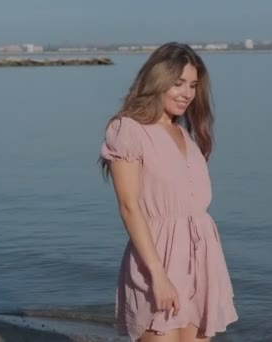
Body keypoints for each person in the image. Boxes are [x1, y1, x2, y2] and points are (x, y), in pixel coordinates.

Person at [99, 42, 238, 342]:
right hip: (158, 258)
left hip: (201, 260)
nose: (187, 93)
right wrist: (158, 276)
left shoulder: (185, 133)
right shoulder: (128, 130)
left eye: (192, 85)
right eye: (178, 84)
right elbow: (129, 207)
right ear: (157, 81)